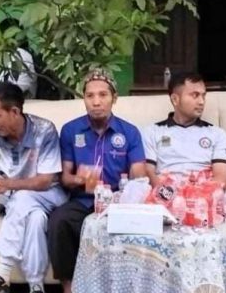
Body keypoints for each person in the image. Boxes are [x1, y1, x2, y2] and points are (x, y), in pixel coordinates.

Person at [47, 68, 146, 293]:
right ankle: (69, 287)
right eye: (90, 95)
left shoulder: (129, 132)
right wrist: (80, 178)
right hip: (83, 200)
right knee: (59, 221)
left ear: (114, 98)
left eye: (103, 95)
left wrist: (128, 191)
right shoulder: (71, 130)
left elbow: (139, 174)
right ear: (84, 99)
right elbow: (65, 178)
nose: (96, 102)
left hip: (118, 202)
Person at [0, 82, 66, 293]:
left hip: (50, 194)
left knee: (22, 198)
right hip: (15, 202)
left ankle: (2, 272)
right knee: (36, 219)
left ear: (14, 112)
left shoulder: (43, 130)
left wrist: (8, 184)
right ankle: (36, 286)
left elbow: (45, 180)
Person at [143, 72, 226, 186]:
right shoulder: (153, 132)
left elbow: (221, 178)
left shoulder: (217, 134)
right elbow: (148, 173)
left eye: (203, 96)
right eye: (195, 95)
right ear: (175, 99)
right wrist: (166, 193)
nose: (201, 102)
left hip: (205, 192)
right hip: (165, 192)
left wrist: (196, 194)